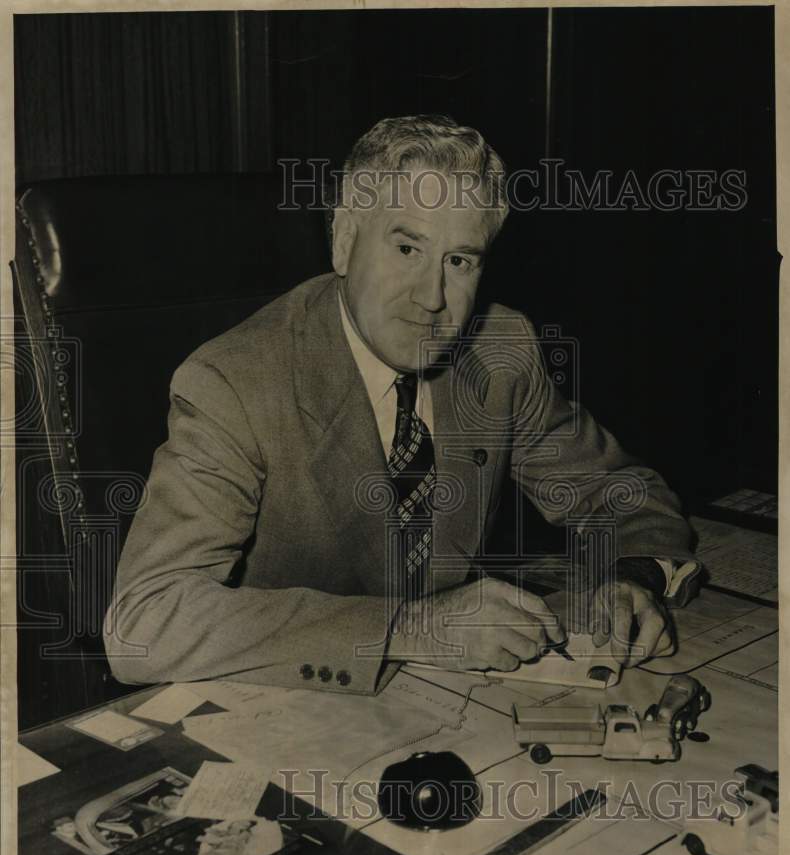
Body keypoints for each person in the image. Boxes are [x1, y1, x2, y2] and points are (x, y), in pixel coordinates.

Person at [104, 114, 701, 695]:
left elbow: (623, 492)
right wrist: (411, 628)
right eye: (407, 248)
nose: (432, 298)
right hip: (293, 704)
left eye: (459, 261)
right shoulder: (234, 382)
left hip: (451, 702)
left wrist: (632, 577)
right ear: (344, 240)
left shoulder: (498, 352)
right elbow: (145, 623)